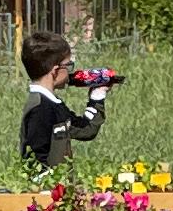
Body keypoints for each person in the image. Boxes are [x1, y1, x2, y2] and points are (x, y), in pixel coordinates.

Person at [19, 23, 112, 169]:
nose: (70, 72)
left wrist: (97, 96)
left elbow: (86, 130)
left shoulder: (52, 104)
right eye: (68, 66)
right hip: (43, 190)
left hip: (57, 187)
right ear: (55, 71)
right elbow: (35, 158)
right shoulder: (40, 108)